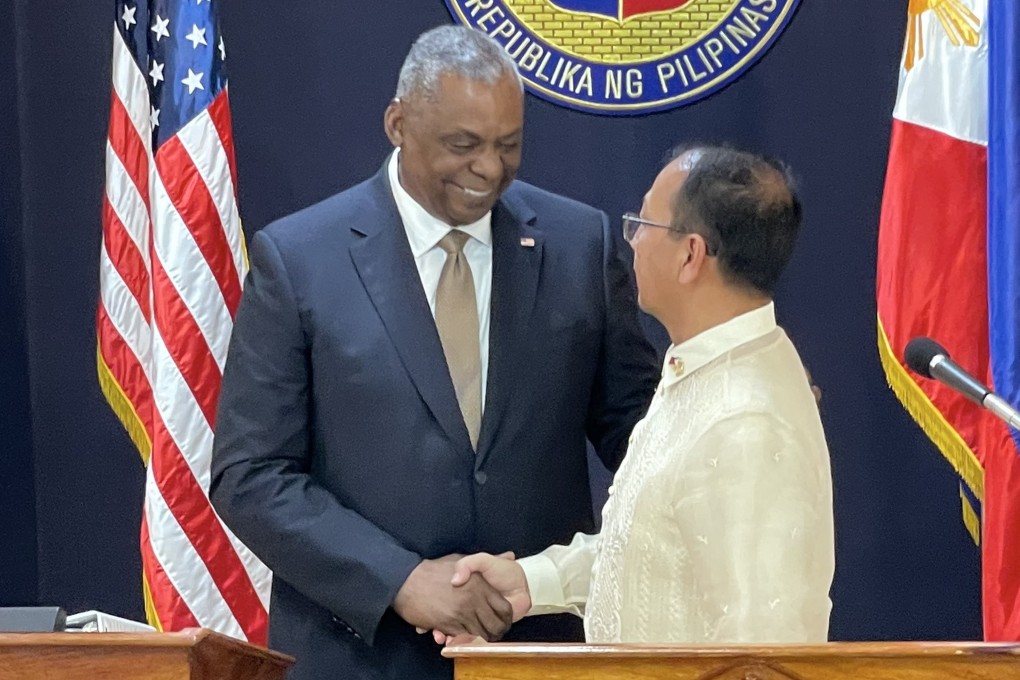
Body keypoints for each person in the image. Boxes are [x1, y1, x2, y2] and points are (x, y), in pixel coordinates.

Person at [208, 25, 659, 680]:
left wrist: (717, 424)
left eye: (509, 145)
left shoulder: (578, 245)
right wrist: (399, 579)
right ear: (398, 123)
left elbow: (640, 437)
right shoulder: (300, 261)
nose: (490, 168)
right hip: (361, 657)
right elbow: (250, 474)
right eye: (463, 145)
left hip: (537, 655)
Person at [441, 146, 835, 644]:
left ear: (690, 255)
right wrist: (529, 581)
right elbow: (652, 553)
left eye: (644, 223)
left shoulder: (745, 420)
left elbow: (763, 651)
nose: (632, 242)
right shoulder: (704, 370)